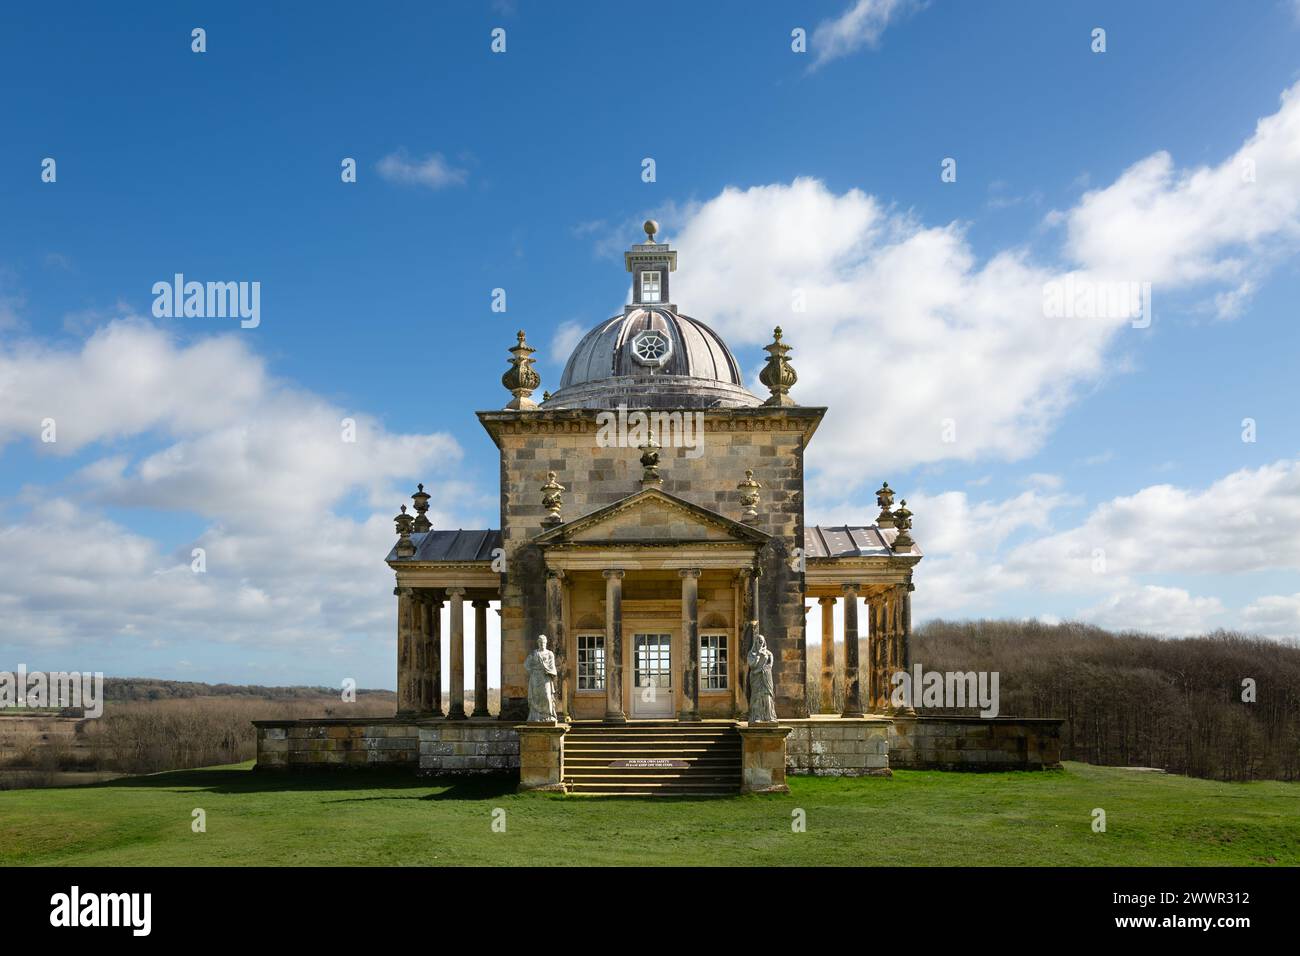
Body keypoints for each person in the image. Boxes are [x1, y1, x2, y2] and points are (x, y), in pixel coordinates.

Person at [524, 634, 558, 723]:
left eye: (543, 642)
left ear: (546, 643)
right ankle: (536, 716)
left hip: (545, 677)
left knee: (547, 696)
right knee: (536, 697)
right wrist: (532, 671)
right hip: (535, 677)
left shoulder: (550, 654)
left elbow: (552, 667)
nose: (542, 644)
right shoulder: (534, 653)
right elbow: (526, 664)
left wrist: (548, 670)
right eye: (540, 642)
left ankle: (549, 716)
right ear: (538, 643)